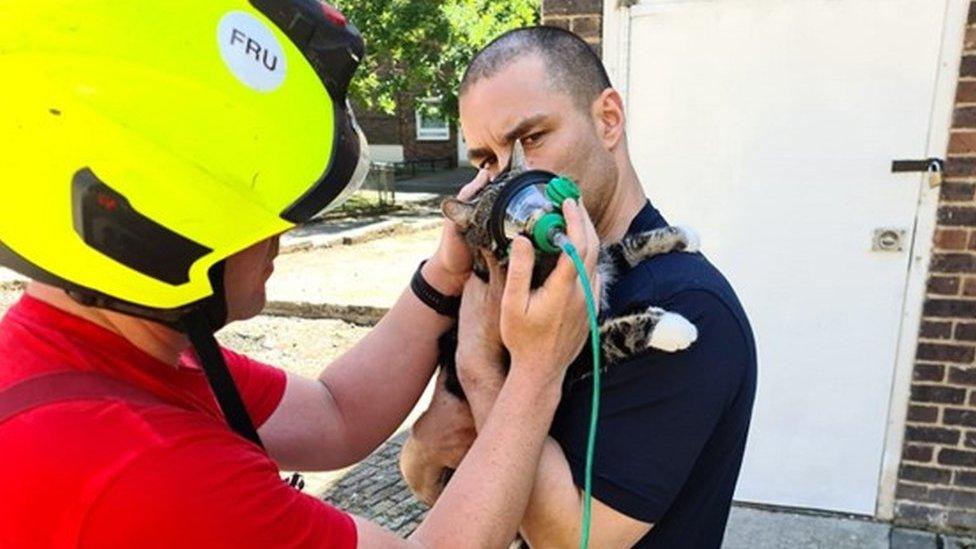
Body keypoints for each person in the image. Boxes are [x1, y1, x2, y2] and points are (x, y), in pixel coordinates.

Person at [0, 5, 601, 548]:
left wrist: (445, 272)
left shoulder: (108, 346)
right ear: (153, 231)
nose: (281, 239)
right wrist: (537, 371)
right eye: (259, 213)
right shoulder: (137, 466)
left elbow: (335, 415)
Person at [400, 26, 758, 548]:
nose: (508, 181)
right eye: (487, 161)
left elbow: (565, 539)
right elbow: (422, 468)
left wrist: (480, 371)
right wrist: (428, 446)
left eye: (532, 139)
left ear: (607, 120)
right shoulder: (508, 275)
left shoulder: (688, 306)